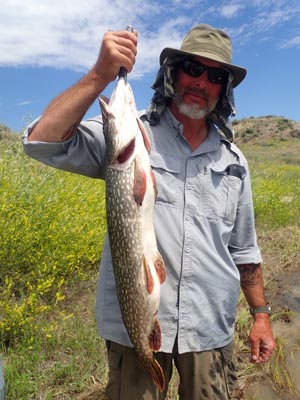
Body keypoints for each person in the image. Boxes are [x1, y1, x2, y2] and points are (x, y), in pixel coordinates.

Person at [22, 24, 276, 400]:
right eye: (193, 68)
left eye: (215, 75)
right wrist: (99, 75)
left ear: (224, 88)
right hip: (136, 329)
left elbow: (245, 251)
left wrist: (261, 315)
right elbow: (41, 143)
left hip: (209, 328)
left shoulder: (234, 161)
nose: (202, 82)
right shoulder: (128, 131)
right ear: (173, 72)